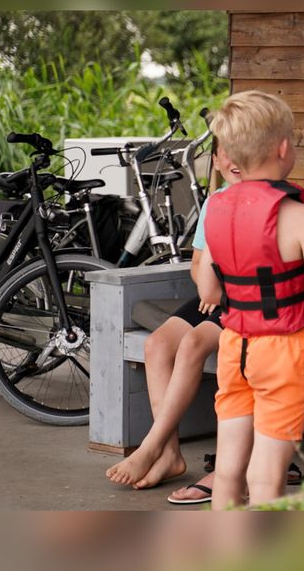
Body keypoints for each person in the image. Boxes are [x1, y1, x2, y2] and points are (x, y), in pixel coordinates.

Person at [193, 90, 304, 508]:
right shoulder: (300, 216)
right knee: (266, 478)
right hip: (284, 351)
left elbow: (207, 291)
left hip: (233, 346)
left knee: (227, 470)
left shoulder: (217, 207)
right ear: (282, 148)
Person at [105, 133, 242, 502]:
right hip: (214, 296)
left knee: (193, 343)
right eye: (224, 154)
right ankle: (170, 454)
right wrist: (209, 287)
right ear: (215, 161)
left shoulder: (260, 201)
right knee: (157, 343)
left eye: (239, 152)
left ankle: (151, 447)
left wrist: (218, 291)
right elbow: (198, 264)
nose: (233, 161)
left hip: (245, 300)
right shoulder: (216, 201)